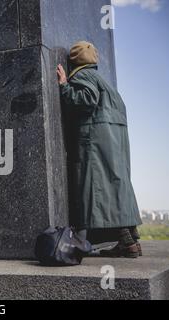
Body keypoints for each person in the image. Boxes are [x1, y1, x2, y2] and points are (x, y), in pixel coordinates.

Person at [56, 41, 143, 258]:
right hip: (115, 138)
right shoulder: (104, 80)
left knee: (103, 189)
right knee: (118, 184)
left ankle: (125, 241)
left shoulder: (83, 75)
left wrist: (65, 86)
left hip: (96, 139)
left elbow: (87, 99)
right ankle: (133, 240)